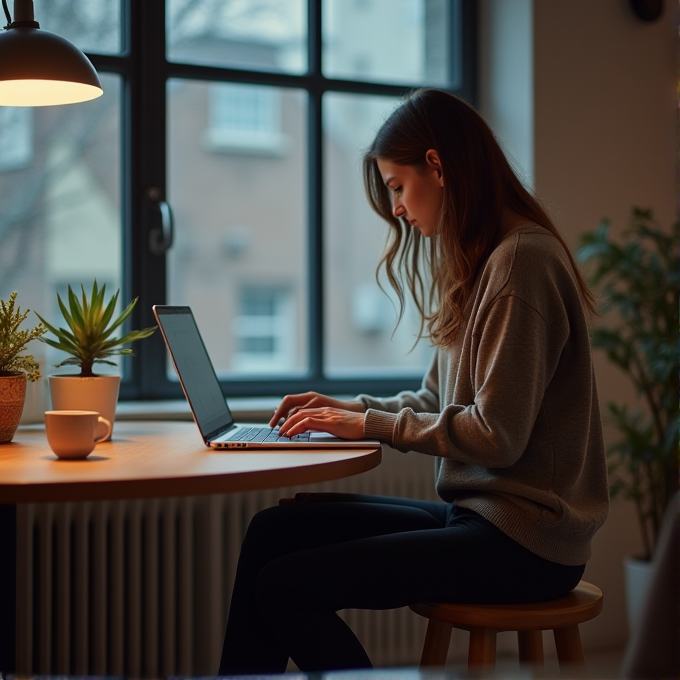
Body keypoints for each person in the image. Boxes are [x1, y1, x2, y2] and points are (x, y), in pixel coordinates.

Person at [217, 88, 609, 674]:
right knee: (274, 531)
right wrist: (345, 409)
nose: (397, 208)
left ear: (438, 165)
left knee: (285, 587)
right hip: (480, 518)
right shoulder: (483, 261)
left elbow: (497, 436)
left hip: (527, 543)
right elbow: (434, 400)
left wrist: (368, 424)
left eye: (398, 186)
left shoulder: (523, 261)